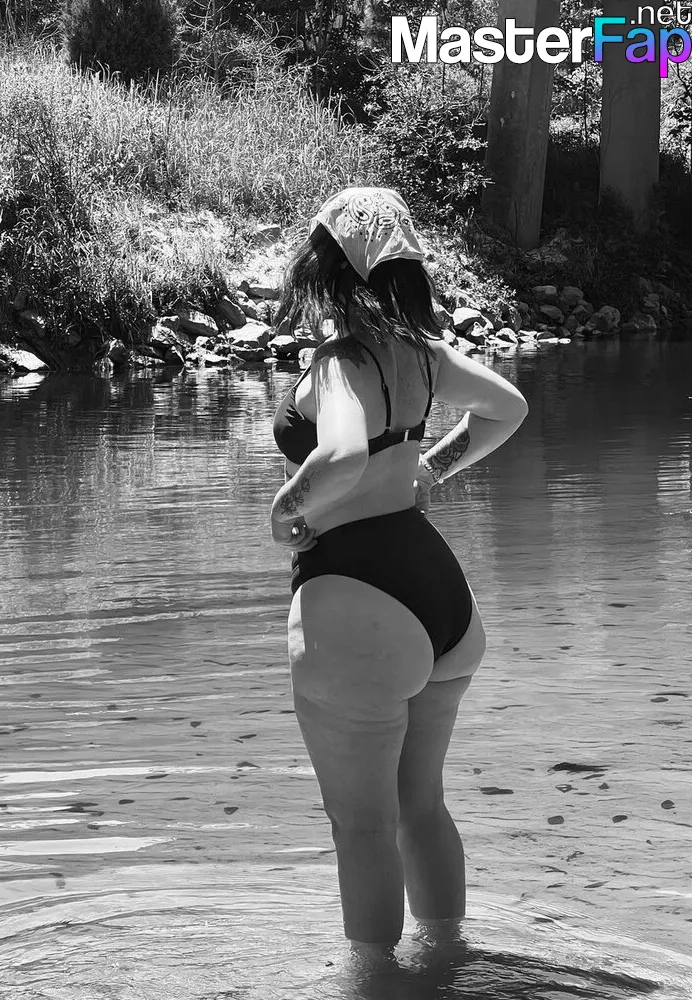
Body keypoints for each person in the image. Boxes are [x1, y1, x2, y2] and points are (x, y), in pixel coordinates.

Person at [269, 187, 528, 959]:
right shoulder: (424, 355)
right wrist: (433, 469)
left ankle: (375, 985)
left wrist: (286, 508)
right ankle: (447, 961)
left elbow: (343, 452)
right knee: (421, 807)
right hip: (441, 599)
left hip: (359, 600)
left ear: (328, 270)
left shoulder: (339, 365)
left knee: (362, 826)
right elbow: (508, 409)